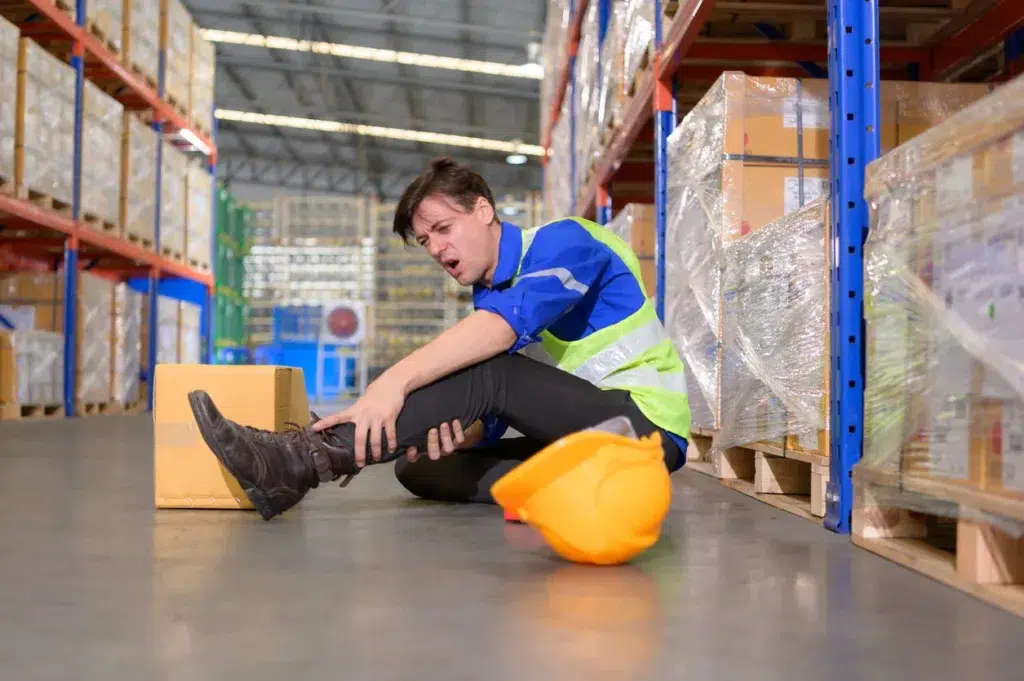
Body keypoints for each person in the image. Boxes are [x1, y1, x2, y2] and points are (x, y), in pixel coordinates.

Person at [188, 157, 691, 521]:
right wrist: (465, 432)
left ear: (484, 209)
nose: (436, 248)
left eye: (444, 228)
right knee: (420, 470)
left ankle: (301, 461)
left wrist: (391, 384)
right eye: (426, 242)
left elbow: (499, 344)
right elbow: (504, 412)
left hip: (644, 430)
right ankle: (573, 495)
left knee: (487, 368)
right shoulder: (487, 298)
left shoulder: (566, 242)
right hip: (585, 440)